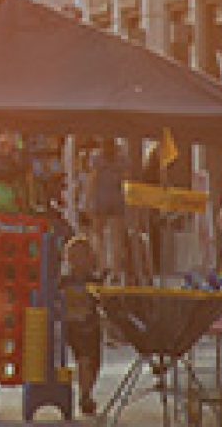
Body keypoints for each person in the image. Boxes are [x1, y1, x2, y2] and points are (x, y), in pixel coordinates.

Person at [59, 234, 102, 416]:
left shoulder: (95, 281)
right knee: (84, 360)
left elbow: (102, 303)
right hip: (74, 327)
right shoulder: (64, 281)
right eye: (74, 256)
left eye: (82, 256)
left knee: (95, 363)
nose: (78, 261)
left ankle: (87, 392)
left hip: (92, 326)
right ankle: (85, 396)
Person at [86, 141, 131, 283]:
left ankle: (102, 266)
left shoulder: (96, 157)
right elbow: (126, 179)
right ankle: (116, 270)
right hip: (117, 198)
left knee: (98, 235)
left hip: (101, 198)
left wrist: (88, 199)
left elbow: (92, 179)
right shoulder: (122, 158)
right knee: (116, 237)